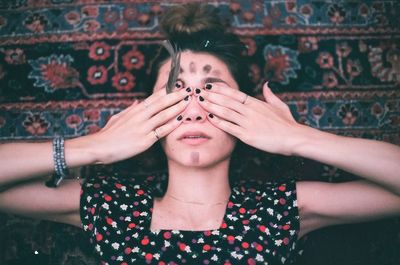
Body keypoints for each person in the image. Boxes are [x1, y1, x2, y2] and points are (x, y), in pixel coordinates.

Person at [1, 3, 399, 265]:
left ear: (247, 114)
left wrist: (297, 137)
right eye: (175, 92)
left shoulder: (280, 208)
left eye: (211, 91)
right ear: (149, 116)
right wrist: (91, 148)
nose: (192, 109)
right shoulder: (111, 206)